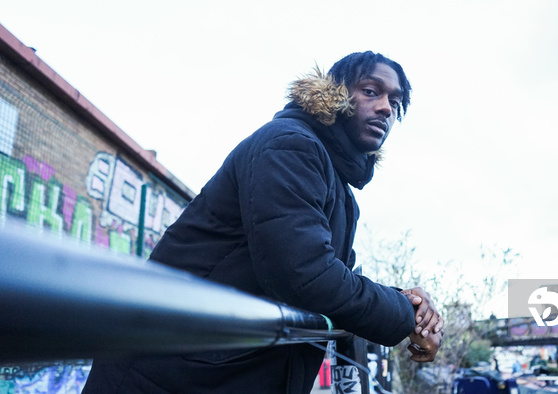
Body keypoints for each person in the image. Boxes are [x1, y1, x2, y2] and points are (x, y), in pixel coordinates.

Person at [83, 51, 443, 394]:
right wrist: (406, 314)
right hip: (166, 373)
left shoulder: (338, 189)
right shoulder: (289, 146)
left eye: (395, 103)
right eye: (371, 91)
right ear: (335, 95)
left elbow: (336, 284)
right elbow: (306, 276)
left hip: (215, 371)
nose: (385, 108)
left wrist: (406, 302)